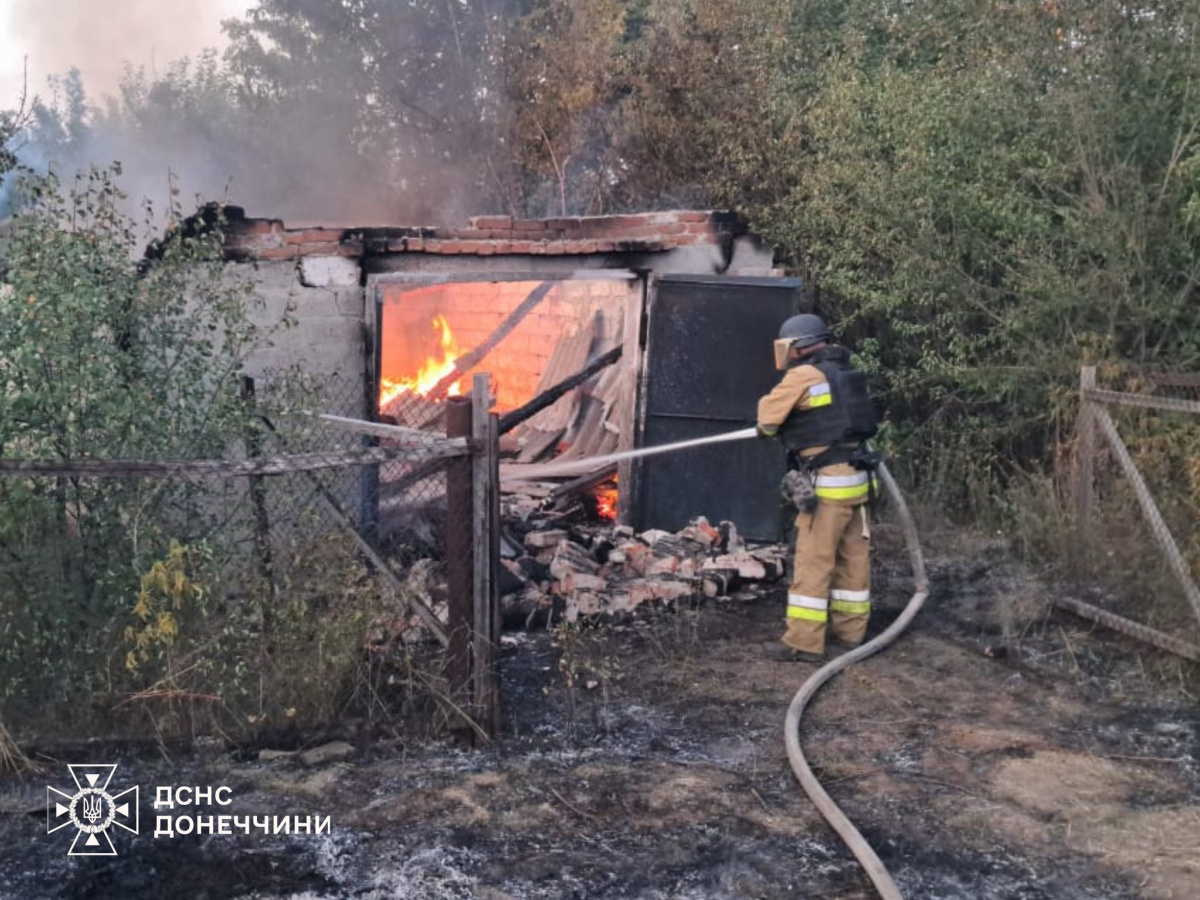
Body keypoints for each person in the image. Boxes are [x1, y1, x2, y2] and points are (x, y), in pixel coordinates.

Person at [756, 313, 880, 662]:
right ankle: (852, 632)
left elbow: (766, 420)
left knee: (814, 562)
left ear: (796, 346)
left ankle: (803, 643)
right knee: (852, 560)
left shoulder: (804, 376)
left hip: (827, 485)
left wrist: (770, 427)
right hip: (857, 482)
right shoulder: (843, 373)